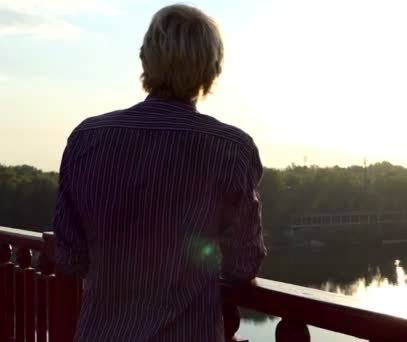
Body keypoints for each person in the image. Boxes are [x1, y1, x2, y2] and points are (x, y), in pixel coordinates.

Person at [52, 4, 266, 341]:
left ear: (145, 59)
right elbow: (242, 265)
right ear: (212, 68)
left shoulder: (86, 139)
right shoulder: (231, 148)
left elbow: (70, 258)